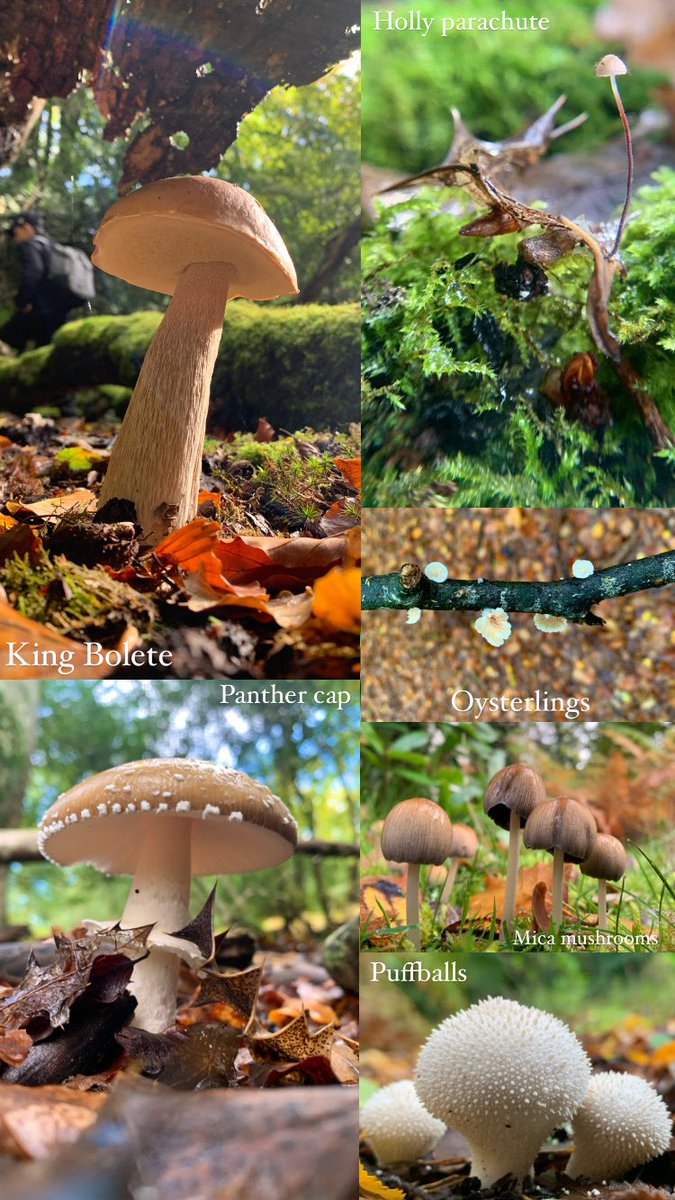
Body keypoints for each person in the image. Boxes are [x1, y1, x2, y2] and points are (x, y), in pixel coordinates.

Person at [0, 212, 75, 352]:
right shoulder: (52, 246)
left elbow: (34, 271)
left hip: (39, 310)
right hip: (60, 313)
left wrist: (23, 300)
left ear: (27, 227)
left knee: (5, 338)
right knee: (45, 356)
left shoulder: (31, 244)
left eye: (16, 233)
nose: (15, 239)